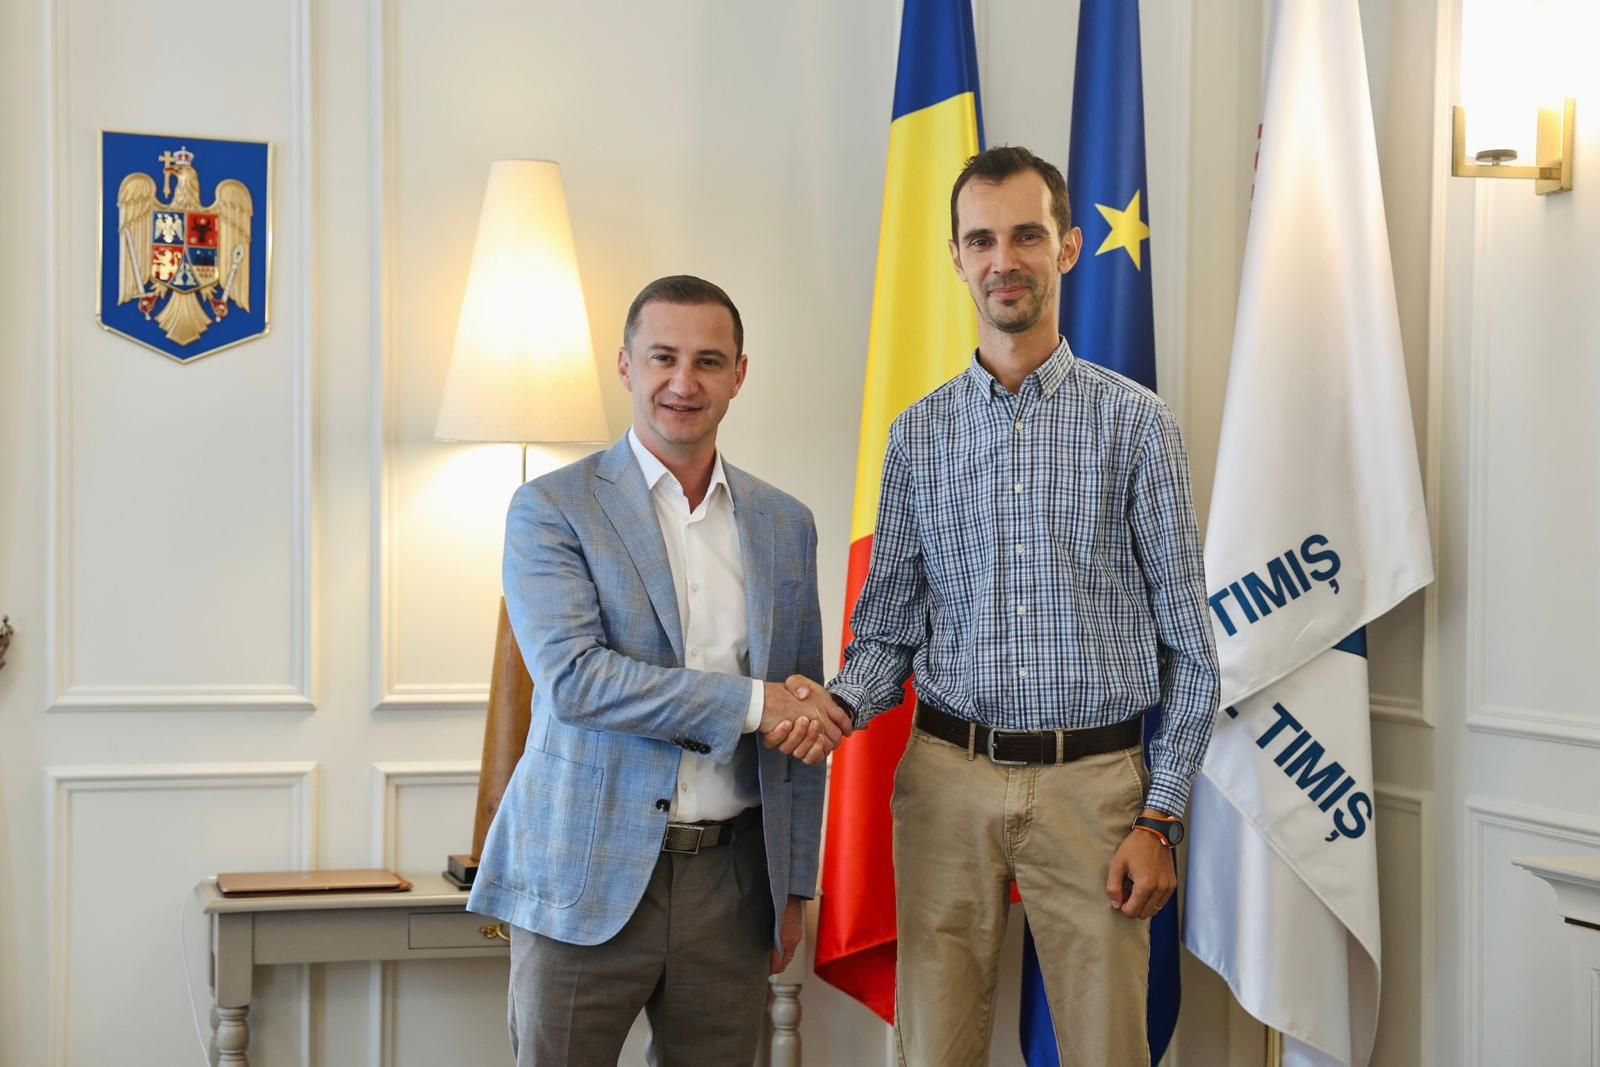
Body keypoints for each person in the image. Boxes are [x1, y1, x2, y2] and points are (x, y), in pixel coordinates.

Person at [803, 146, 1220, 1066]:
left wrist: (1159, 819)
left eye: (1027, 236)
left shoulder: (1138, 426)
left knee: (1109, 1051)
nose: (1005, 260)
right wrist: (834, 707)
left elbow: (1193, 655)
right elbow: (889, 632)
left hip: (1097, 788)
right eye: (983, 240)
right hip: (945, 782)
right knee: (934, 1049)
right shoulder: (918, 436)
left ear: (1067, 248)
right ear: (956, 258)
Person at [470, 275, 852, 1066]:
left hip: (734, 886)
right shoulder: (551, 508)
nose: (685, 381)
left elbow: (799, 724)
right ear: (625, 365)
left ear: (739, 374)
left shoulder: (787, 523)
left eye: (709, 361)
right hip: (582, 875)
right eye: (663, 357)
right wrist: (754, 703)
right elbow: (576, 680)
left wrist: (794, 885)